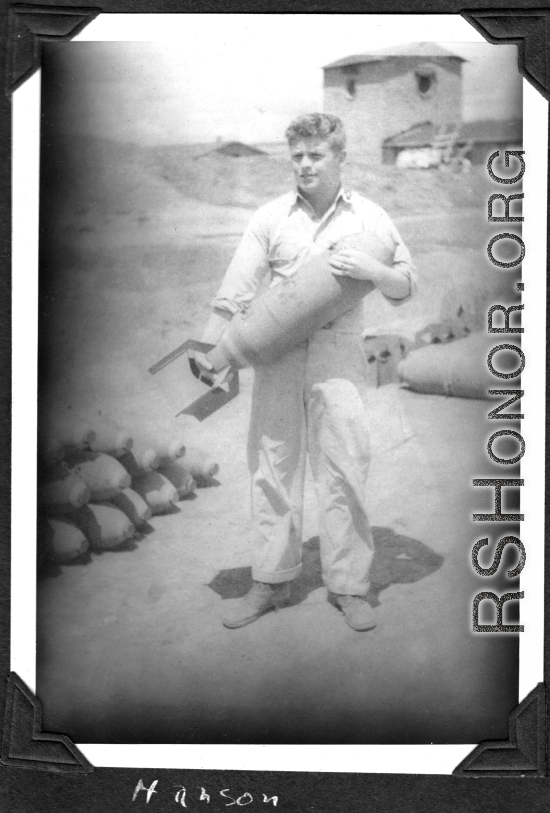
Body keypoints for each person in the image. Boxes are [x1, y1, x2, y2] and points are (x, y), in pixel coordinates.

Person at [195, 113, 416, 631]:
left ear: (341, 158)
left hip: (338, 357)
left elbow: (406, 284)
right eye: (297, 156)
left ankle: (349, 588)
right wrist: (209, 349)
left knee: (343, 470)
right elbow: (235, 292)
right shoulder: (271, 217)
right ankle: (271, 582)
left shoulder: (371, 218)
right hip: (276, 355)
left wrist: (374, 273)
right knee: (272, 469)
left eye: (316, 155)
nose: (305, 165)